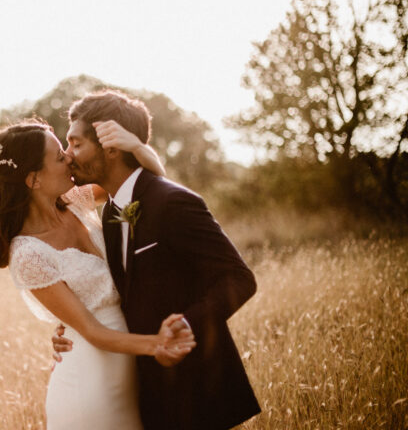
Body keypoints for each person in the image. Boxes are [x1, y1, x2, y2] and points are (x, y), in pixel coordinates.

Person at [52, 89, 261, 429]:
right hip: (144, 390)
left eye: (76, 144)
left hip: (195, 389)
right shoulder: (109, 213)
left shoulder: (173, 202)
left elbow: (239, 280)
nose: (68, 155)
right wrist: (71, 330)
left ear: (112, 146)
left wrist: (185, 327)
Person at [0, 119, 195, 429]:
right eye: (58, 156)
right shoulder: (27, 254)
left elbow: (149, 183)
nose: (69, 157)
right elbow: (90, 331)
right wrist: (156, 344)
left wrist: (136, 146)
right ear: (33, 179)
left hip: (131, 371)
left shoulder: (79, 201)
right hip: (88, 383)